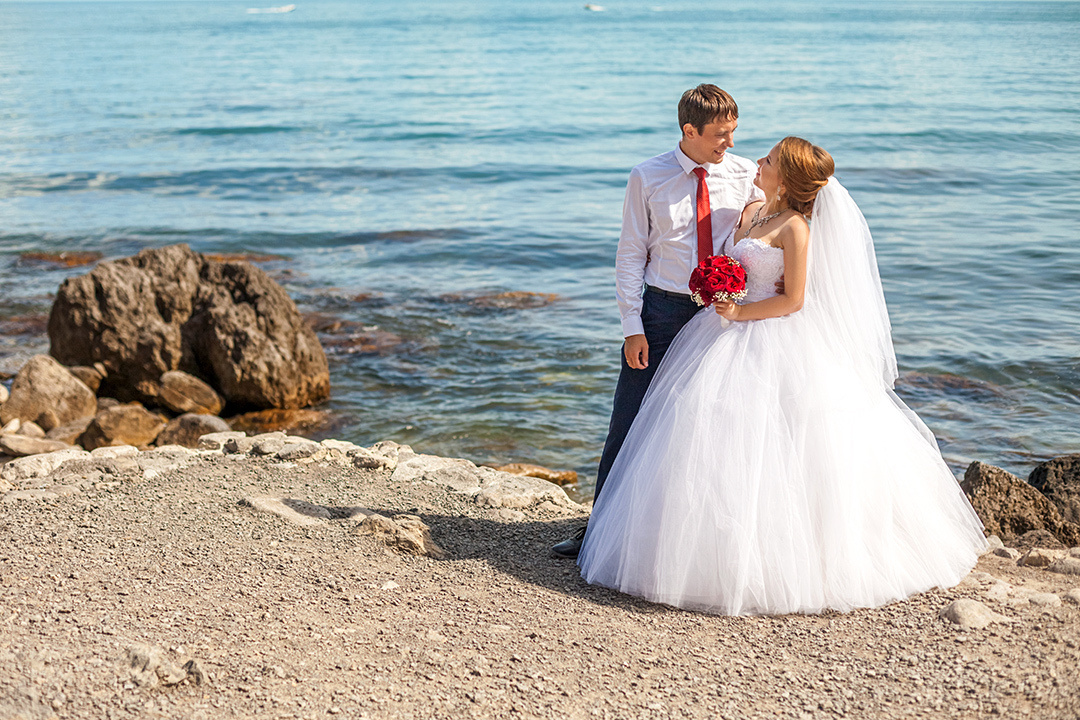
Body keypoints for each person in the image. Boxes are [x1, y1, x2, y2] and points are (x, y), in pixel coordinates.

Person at [576, 137, 987, 615]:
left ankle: (771, 558)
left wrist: (739, 312)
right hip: (717, 332)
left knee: (771, 446)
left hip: (766, 334)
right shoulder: (753, 211)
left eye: (769, 160)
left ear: (786, 179)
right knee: (699, 434)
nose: (758, 161)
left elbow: (793, 300)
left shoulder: (795, 227)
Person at [551, 84, 765, 558]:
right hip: (662, 313)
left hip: (722, 316)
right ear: (690, 130)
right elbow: (631, 253)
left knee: (713, 424)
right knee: (629, 421)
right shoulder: (647, 176)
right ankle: (599, 531)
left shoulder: (746, 174)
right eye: (720, 134)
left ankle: (698, 542)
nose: (730, 142)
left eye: (733, 132)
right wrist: (632, 326)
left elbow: (766, 234)